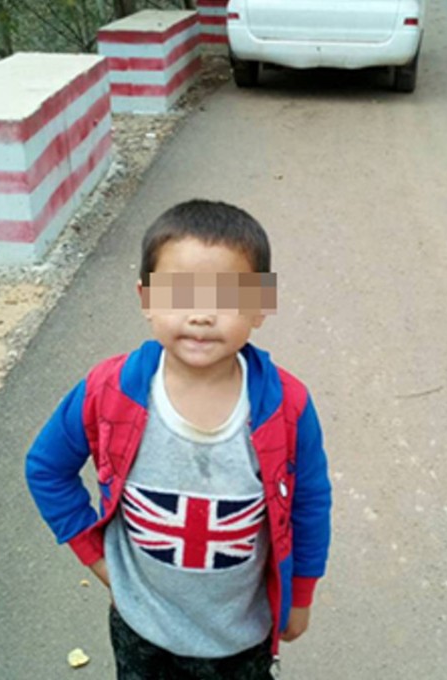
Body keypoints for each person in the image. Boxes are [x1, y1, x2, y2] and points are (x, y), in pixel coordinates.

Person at [25, 199, 332, 679]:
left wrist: (302, 595)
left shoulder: (287, 406)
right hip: (140, 627)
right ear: (146, 299)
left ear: (260, 306)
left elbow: (310, 501)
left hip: (240, 635)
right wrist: (96, 557)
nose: (201, 317)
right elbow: (46, 468)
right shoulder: (110, 390)